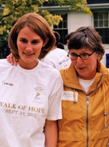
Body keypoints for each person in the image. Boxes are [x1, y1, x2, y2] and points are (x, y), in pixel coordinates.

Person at [0, 13, 63, 147]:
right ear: (15, 39)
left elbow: (51, 124)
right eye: (23, 41)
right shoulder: (1, 69)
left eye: (35, 42)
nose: (28, 48)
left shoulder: (53, 76)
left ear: (45, 42)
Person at [57, 26, 109, 147]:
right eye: (74, 55)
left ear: (98, 55)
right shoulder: (58, 79)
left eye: (84, 55)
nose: (78, 62)